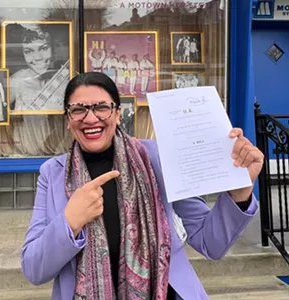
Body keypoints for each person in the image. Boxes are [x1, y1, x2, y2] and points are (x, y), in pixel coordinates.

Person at [21, 72, 263, 299]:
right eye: (78, 110)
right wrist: (70, 221)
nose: (90, 118)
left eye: (102, 107)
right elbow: (34, 269)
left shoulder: (157, 158)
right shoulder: (52, 174)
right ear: (68, 119)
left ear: (117, 114)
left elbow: (211, 243)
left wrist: (239, 192)